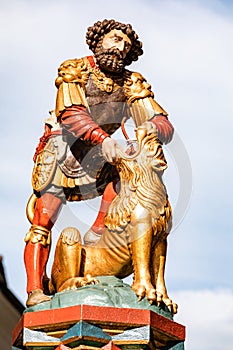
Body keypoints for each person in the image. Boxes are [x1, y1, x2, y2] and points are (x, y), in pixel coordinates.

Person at [24, 19, 174, 307]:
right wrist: (102, 138)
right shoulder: (75, 69)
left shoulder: (131, 82)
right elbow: (70, 113)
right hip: (62, 150)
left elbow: (159, 120)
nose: (120, 48)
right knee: (43, 221)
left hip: (102, 155)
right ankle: (35, 289)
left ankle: (97, 236)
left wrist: (152, 129)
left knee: (127, 179)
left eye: (126, 46)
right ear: (99, 40)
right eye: (115, 39)